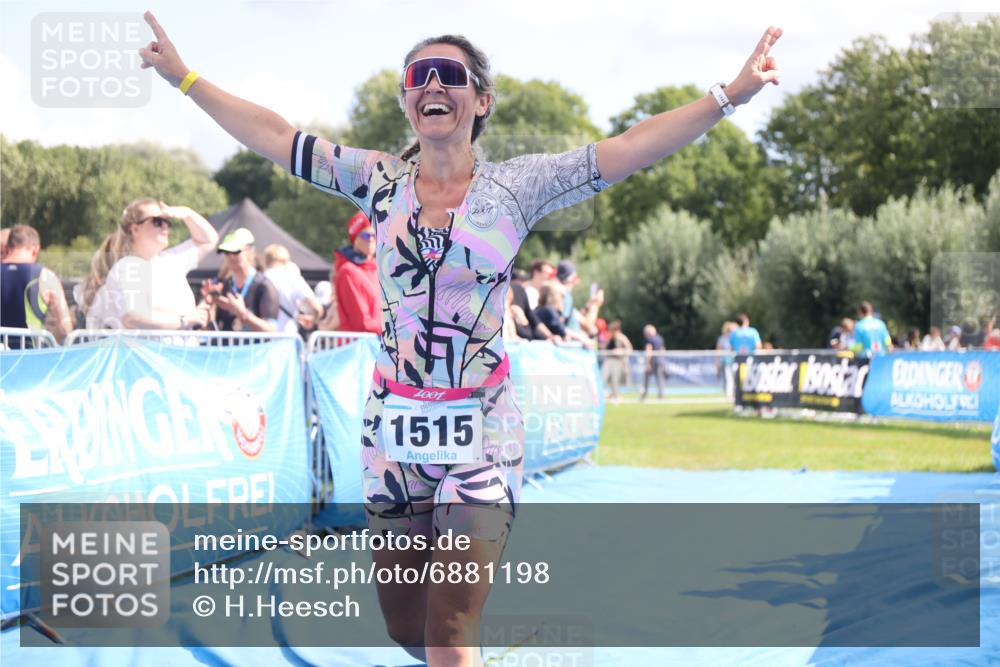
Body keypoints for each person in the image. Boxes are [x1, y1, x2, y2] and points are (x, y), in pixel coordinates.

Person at [140, 13, 783, 662]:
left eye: (450, 75)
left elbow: (631, 146)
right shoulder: (376, 180)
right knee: (407, 626)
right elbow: (276, 135)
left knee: (448, 628)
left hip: (484, 428)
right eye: (419, 77)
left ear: (481, 101)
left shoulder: (517, 187)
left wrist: (729, 95)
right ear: (407, 99)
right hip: (393, 427)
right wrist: (186, 78)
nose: (432, 86)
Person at [81, 199, 217, 331]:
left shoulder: (172, 259)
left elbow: (209, 240)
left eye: (167, 221)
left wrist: (187, 214)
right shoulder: (129, 267)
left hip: (179, 352)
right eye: (157, 221)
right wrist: (184, 320)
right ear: (135, 229)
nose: (165, 226)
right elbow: (133, 318)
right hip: (148, 353)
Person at [0, 224, 73, 346]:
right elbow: (65, 327)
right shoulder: (46, 277)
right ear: (35, 250)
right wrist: (46, 342)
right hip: (31, 357)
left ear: (8, 248)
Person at [201, 227, 279, 332]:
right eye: (227, 252)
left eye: (236, 252)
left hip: (256, 348)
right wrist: (210, 304)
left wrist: (243, 314)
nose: (231, 257)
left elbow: (272, 331)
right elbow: (210, 331)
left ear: (250, 252)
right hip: (228, 348)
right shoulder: (224, 286)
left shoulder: (263, 286)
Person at [333, 211, 381, 334]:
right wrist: (393, 327)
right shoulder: (348, 271)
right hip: (358, 348)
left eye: (374, 235)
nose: (371, 239)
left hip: (378, 345)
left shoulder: (381, 269)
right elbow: (361, 323)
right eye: (366, 235)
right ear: (355, 238)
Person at [262, 243, 323, 335]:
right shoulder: (293, 278)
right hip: (287, 336)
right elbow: (317, 308)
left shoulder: (260, 278)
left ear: (266, 260)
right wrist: (313, 319)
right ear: (286, 261)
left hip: (263, 337)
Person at [602, 320, 633, 402]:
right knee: (603, 378)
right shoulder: (609, 337)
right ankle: (604, 395)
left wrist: (620, 351)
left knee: (615, 380)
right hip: (608, 360)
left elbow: (629, 349)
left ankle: (616, 396)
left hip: (617, 361)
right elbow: (604, 348)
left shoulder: (621, 337)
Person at [640, 324, 668, 401]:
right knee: (659, 379)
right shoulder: (660, 338)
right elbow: (663, 349)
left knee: (646, 378)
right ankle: (661, 396)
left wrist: (648, 363)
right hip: (660, 360)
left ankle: (644, 396)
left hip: (653, 360)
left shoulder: (648, 339)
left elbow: (649, 350)